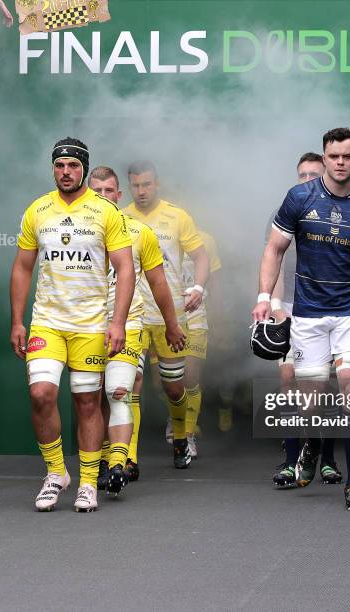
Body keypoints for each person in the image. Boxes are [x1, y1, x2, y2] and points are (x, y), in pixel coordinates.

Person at [252, 128, 350, 510]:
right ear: (325, 156)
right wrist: (265, 298)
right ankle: (314, 443)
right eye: (334, 156)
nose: (340, 162)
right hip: (308, 314)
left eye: (347, 156)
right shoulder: (299, 198)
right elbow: (274, 249)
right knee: (310, 400)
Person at [10, 138, 135, 512]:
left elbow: (125, 269)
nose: (66, 172)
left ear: (84, 168)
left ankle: (87, 482)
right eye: (60, 165)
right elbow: (22, 267)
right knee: (41, 394)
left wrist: (117, 323)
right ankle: (55, 473)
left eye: (73, 166)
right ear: (53, 169)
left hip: (91, 325)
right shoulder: (38, 209)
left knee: (86, 401)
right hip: (47, 321)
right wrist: (18, 320)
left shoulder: (105, 211)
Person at [270, 153, 350, 490]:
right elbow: (272, 258)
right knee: (291, 385)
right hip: (292, 307)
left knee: (330, 387)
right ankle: (290, 461)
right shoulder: (293, 206)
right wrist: (272, 304)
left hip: (333, 309)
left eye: (312, 173)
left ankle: (327, 458)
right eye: (302, 174)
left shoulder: (345, 211)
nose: (306, 179)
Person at [88, 166, 186, 488]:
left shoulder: (138, 232)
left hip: (129, 323)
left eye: (109, 192)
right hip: (85, 326)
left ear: (119, 196)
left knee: (124, 389)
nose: (103, 197)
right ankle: (103, 458)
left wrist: (172, 324)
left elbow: (158, 283)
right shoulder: (73, 230)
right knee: (94, 397)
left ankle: (125, 458)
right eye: (96, 191)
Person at [123, 161, 209, 469]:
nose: (142, 190)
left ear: (157, 184)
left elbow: (201, 256)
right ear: (129, 187)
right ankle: (128, 456)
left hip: (170, 314)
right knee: (130, 383)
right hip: (133, 315)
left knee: (174, 386)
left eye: (146, 184)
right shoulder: (121, 216)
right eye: (136, 185)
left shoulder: (177, 216)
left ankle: (183, 436)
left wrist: (198, 286)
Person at [163, 228, 223, 458]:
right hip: (162, 316)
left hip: (195, 315)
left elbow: (215, 280)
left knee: (189, 375)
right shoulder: (157, 234)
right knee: (165, 383)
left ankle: (187, 433)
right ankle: (176, 413)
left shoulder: (206, 239)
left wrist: (218, 317)